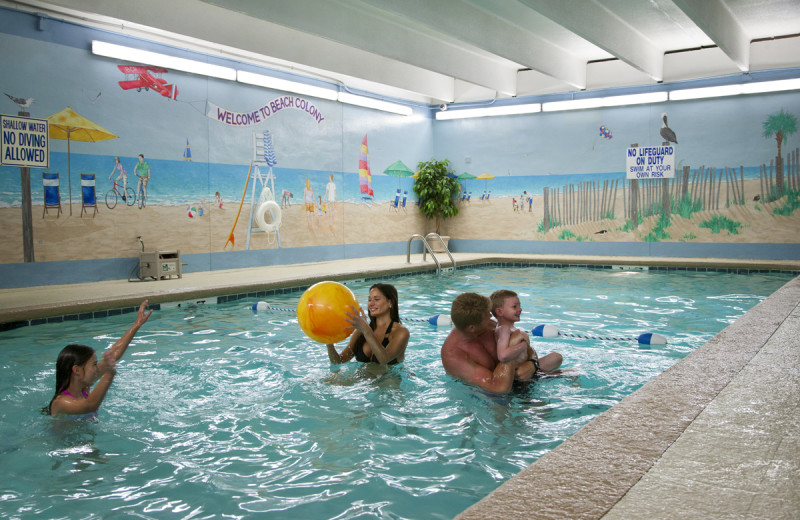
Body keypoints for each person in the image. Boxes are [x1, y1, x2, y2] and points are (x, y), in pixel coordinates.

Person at [46, 300, 152, 416]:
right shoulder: (61, 402)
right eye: (94, 365)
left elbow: (114, 353)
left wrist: (137, 324)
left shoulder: (83, 385)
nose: (97, 368)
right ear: (76, 370)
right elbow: (89, 406)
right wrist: (109, 374)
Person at [326, 283, 409, 366]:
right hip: (362, 378)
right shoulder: (361, 331)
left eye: (376, 299)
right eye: (369, 300)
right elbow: (339, 361)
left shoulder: (400, 332)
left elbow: (384, 360)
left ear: (390, 302)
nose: (371, 304)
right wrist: (328, 341)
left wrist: (366, 330)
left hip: (390, 377)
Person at [490, 289, 561, 378]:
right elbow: (502, 356)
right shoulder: (504, 329)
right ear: (500, 312)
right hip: (519, 375)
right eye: (514, 306)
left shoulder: (508, 328)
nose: (520, 309)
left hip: (527, 371)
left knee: (557, 357)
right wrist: (524, 345)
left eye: (519, 306)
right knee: (571, 372)